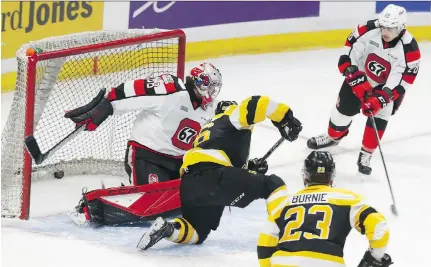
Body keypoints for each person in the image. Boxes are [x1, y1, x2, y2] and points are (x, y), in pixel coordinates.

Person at [65, 63, 236, 226]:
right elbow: (135, 89)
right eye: (208, 85)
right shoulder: (171, 89)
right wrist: (106, 105)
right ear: (196, 80)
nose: (211, 91)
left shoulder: (212, 108)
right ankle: (95, 204)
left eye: (214, 87)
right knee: (152, 205)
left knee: (186, 203)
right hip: (148, 156)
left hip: (181, 162)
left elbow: (218, 139)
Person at [136, 95, 303, 250]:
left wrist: (250, 168)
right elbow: (258, 103)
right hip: (214, 176)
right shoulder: (230, 116)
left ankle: (168, 229)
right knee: (273, 185)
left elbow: (219, 159)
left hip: (189, 184)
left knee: (197, 232)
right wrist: (284, 118)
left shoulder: (206, 131)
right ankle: (289, 232)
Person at [307, 4, 421, 175]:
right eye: (383, 26)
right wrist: (352, 74)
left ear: (401, 26)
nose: (385, 31)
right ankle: (333, 137)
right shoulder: (366, 29)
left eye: (390, 28)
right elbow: (349, 51)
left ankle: (366, 153)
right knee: (340, 114)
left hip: (384, 88)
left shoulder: (410, 49)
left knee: (381, 115)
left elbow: (403, 80)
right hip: (359, 79)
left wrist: (380, 98)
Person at [257, 150, 392, 267]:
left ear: (305, 176)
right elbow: (379, 227)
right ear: (331, 177)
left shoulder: (283, 204)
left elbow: (264, 244)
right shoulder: (347, 199)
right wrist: (375, 258)